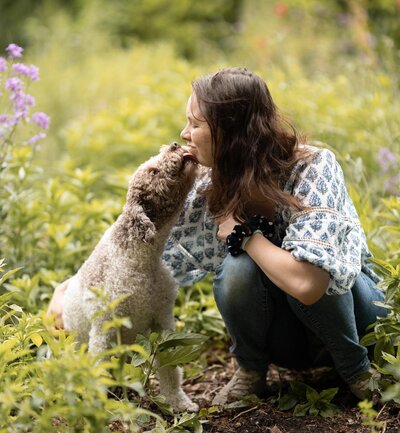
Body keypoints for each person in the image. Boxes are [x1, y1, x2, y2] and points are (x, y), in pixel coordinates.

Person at [47, 67, 387, 405]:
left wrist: (246, 235)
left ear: (231, 130)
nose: (184, 133)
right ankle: (252, 372)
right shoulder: (209, 185)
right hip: (293, 345)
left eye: (195, 124)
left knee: (305, 265)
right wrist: (69, 289)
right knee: (237, 272)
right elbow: (139, 246)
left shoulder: (313, 168)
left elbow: (309, 285)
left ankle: (358, 374)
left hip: (359, 322)